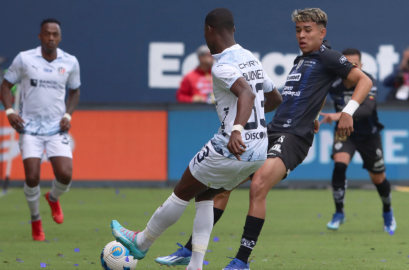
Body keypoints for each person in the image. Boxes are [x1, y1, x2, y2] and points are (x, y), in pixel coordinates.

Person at [155, 8, 373, 270]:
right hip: (272, 130)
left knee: (258, 185)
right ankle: (190, 251)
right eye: (298, 30)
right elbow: (312, 93)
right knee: (221, 187)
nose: (301, 35)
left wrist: (347, 112)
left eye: (308, 30)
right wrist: (313, 114)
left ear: (322, 33)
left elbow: (364, 80)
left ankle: (241, 261)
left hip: (293, 137)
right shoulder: (301, 61)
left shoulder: (328, 56)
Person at [109, 8, 282, 270]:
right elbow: (275, 99)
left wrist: (237, 128)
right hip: (258, 151)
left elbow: (245, 94)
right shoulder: (251, 59)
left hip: (231, 148)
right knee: (205, 195)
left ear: (208, 31)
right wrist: (251, 120)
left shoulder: (222, 66)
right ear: (233, 30)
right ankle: (195, 264)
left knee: (182, 192)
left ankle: (141, 242)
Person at [0, 18, 81, 241]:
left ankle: (53, 198)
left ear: (60, 37)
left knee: (65, 174)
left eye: (55, 34)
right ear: (40, 36)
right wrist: (10, 112)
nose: (51, 38)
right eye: (47, 34)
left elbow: (75, 91)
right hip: (29, 127)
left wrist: (67, 115)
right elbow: (6, 86)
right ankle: (36, 219)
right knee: (32, 176)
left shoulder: (70, 62)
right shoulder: (25, 59)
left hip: (56, 128)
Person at [320, 48, 396, 232]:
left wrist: (339, 115)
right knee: (339, 165)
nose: (351, 67)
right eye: (347, 64)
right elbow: (318, 96)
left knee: (378, 178)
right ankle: (339, 213)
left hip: (369, 135)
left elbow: (366, 109)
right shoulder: (335, 82)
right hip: (345, 133)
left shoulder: (367, 80)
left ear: (360, 66)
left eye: (355, 64)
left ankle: (387, 211)